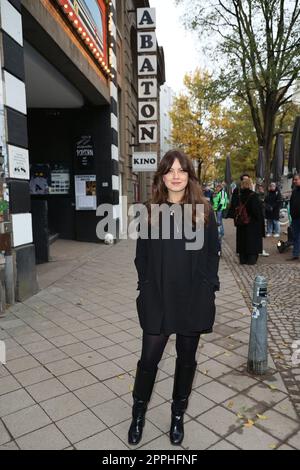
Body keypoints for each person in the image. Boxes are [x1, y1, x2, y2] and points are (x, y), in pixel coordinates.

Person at [129, 150, 220, 446]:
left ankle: (177, 415)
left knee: (186, 361)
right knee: (148, 361)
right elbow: (141, 256)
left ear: (190, 176)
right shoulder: (149, 211)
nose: (176, 175)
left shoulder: (204, 211)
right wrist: (145, 286)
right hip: (158, 299)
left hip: (192, 300)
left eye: (182, 170)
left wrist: (208, 289)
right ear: (162, 176)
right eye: (170, 170)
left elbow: (211, 256)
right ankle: (138, 413)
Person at [234, 178, 265, 265]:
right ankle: (251, 260)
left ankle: (243, 259)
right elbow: (256, 212)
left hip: (241, 223)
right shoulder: (253, 196)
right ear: (250, 185)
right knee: (251, 242)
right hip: (252, 224)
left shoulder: (239, 196)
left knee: (242, 241)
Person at [287, 174, 300, 261]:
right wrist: (291, 213)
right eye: (294, 180)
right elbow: (291, 203)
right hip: (295, 218)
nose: (294, 181)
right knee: (295, 236)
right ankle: (295, 254)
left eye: (296, 180)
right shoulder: (294, 191)